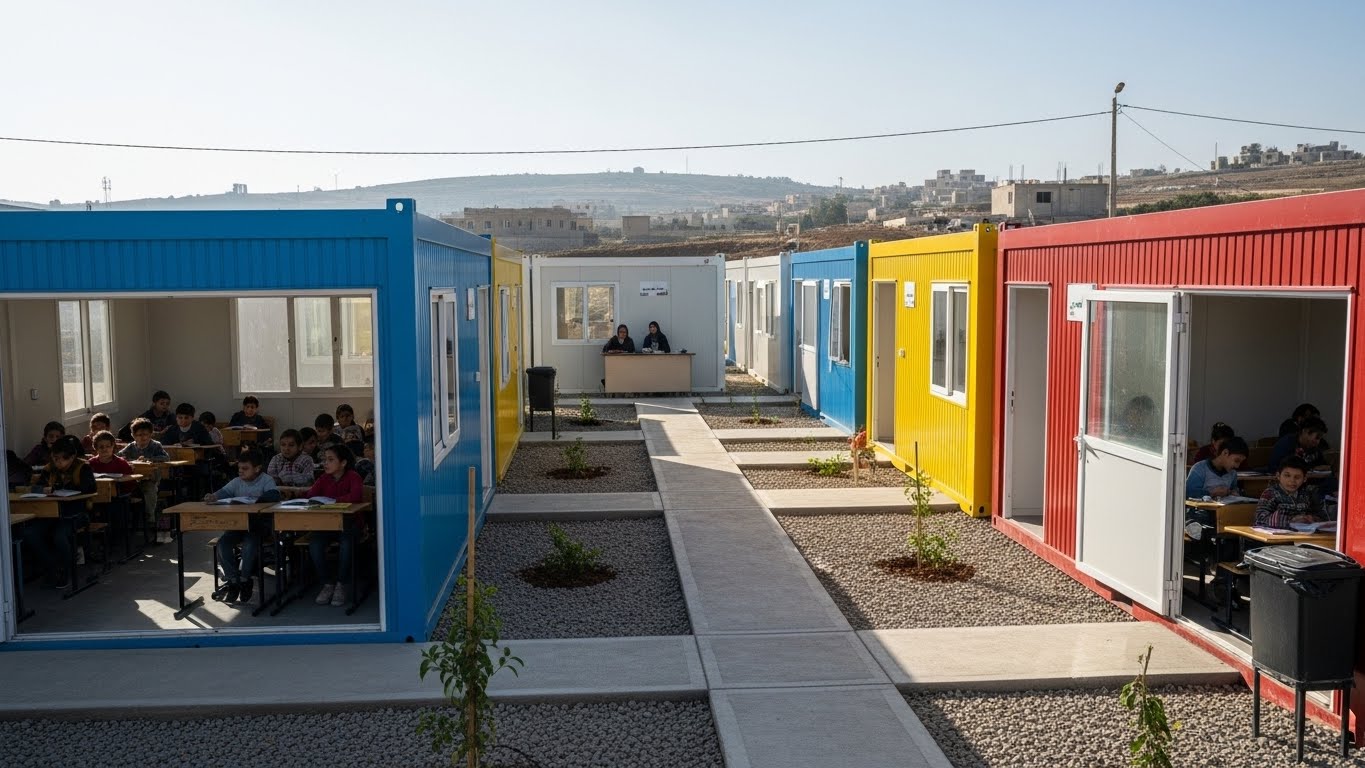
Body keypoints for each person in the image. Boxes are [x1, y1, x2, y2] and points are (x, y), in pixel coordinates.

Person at [205, 448, 281, 604]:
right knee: (223, 544)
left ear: (258, 468)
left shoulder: (266, 480)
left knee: (249, 544)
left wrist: (257, 499)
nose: (241, 471)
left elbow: (274, 495)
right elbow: (223, 493)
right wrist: (212, 497)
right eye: (239, 468)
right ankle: (233, 580)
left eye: (245, 468)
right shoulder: (236, 482)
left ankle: (245, 579)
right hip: (237, 525)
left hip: (259, 526)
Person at [24, 436, 97, 588]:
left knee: (59, 536)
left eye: (61, 459)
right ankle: (52, 565)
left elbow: (89, 488)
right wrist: (42, 489)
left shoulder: (83, 468)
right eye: (55, 458)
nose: (58, 463)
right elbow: (34, 488)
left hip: (75, 514)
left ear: (72, 456)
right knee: (30, 534)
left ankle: (67, 569)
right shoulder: (49, 469)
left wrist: (57, 489)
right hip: (50, 514)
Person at [306, 443, 366, 607]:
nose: (325, 463)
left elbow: (355, 496)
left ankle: (341, 583)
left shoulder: (353, 476)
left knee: (347, 544)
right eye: (325, 460)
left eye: (330, 460)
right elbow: (311, 495)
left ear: (343, 462)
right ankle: (327, 584)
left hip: (350, 525)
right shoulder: (324, 478)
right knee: (315, 544)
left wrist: (332, 501)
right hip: (327, 525)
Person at [119, 417, 171, 531]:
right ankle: (126, 521)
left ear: (150, 434)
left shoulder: (156, 445)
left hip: (151, 478)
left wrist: (149, 459)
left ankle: (150, 517)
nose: (142, 437)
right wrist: (130, 460)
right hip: (133, 479)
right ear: (133, 435)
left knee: (149, 490)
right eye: (138, 435)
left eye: (145, 434)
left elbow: (166, 457)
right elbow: (120, 457)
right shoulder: (131, 446)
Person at [1254, 456, 1326, 529]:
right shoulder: (1270, 494)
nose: (1292, 481)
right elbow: (1260, 519)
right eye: (1287, 475)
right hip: (1277, 537)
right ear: (1278, 476)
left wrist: (1312, 518)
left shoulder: (1308, 493)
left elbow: (1322, 516)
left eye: (1297, 477)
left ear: (1304, 479)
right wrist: (1291, 521)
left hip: (1303, 536)